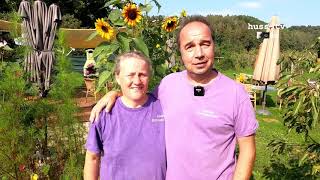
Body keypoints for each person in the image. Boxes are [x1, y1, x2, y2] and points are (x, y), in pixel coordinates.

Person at [90, 16, 258, 180]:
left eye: (205, 44)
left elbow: (247, 150)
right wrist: (115, 93)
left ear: (214, 45)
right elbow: (138, 94)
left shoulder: (235, 93)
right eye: (190, 46)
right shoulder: (168, 85)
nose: (199, 53)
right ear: (181, 52)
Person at [84, 51, 166, 180]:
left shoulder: (163, 108)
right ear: (117, 77)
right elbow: (92, 158)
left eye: (142, 74)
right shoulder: (104, 114)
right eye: (130, 75)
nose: (137, 81)